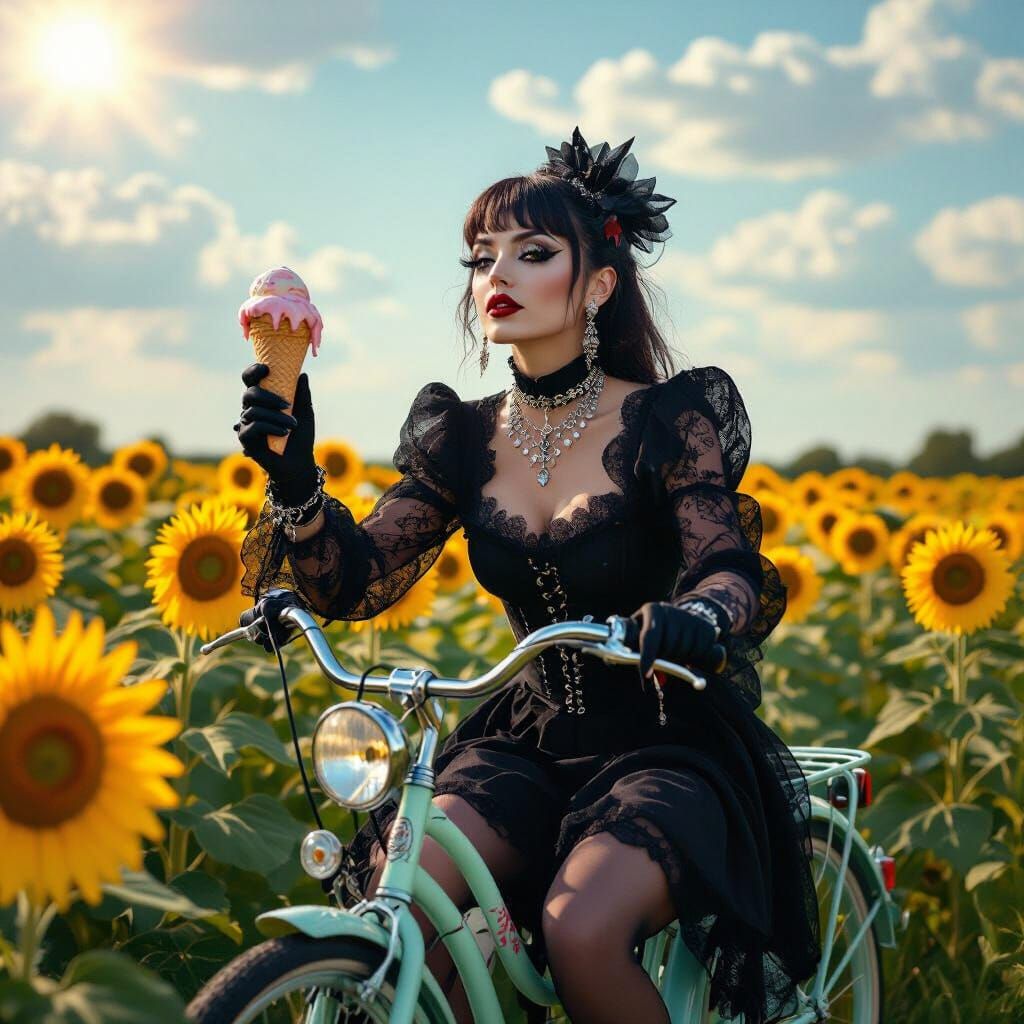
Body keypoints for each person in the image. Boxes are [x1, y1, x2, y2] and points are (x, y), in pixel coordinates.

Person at [233, 126, 821, 1024]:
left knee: (580, 931)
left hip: (663, 738)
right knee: (403, 908)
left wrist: (698, 613)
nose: (496, 275)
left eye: (532, 253)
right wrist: (294, 481)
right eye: (481, 257)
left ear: (596, 286)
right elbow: (357, 578)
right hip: (526, 741)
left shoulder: (669, 417)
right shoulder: (462, 436)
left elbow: (727, 562)